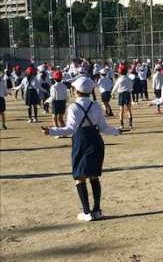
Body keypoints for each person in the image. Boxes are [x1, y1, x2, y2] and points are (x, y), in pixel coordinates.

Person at [42, 76, 120, 221]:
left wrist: (51, 131)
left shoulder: (73, 107)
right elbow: (104, 127)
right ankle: (97, 210)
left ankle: (86, 212)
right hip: (96, 140)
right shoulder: (96, 106)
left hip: (81, 141)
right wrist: (117, 131)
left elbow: (70, 129)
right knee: (94, 176)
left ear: (76, 91)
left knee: (79, 176)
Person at [112, 63, 133, 131]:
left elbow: (115, 87)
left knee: (121, 110)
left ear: (120, 72)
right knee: (128, 110)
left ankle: (121, 125)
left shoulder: (119, 79)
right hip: (127, 94)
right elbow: (131, 87)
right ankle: (130, 125)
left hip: (121, 95)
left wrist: (112, 93)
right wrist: (129, 91)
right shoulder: (129, 79)